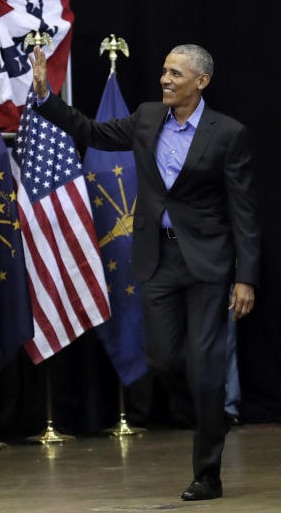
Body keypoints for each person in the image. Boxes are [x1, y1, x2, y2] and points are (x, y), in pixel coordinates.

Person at [30, 44, 259, 501]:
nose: (165, 79)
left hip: (208, 265)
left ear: (201, 82)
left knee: (207, 366)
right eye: (164, 72)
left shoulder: (228, 133)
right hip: (159, 261)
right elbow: (91, 132)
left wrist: (245, 276)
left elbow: (244, 212)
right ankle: (210, 411)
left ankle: (207, 474)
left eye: (176, 73)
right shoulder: (148, 117)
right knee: (163, 359)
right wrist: (45, 96)